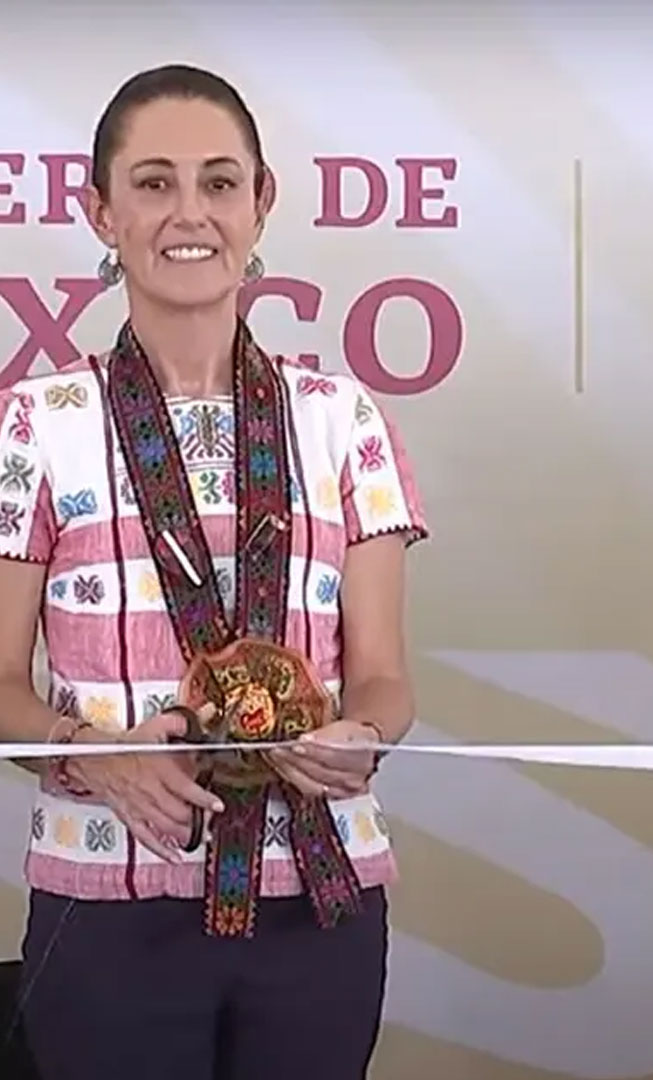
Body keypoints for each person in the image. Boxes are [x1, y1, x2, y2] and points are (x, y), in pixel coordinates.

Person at [0, 64, 428, 1079]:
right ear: (99, 210)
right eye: (152, 184)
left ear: (261, 201)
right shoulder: (35, 426)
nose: (188, 213)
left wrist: (360, 735)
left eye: (218, 182)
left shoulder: (343, 420)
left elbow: (384, 680)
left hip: (319, 906)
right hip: (109, 906)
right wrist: (88, 747)